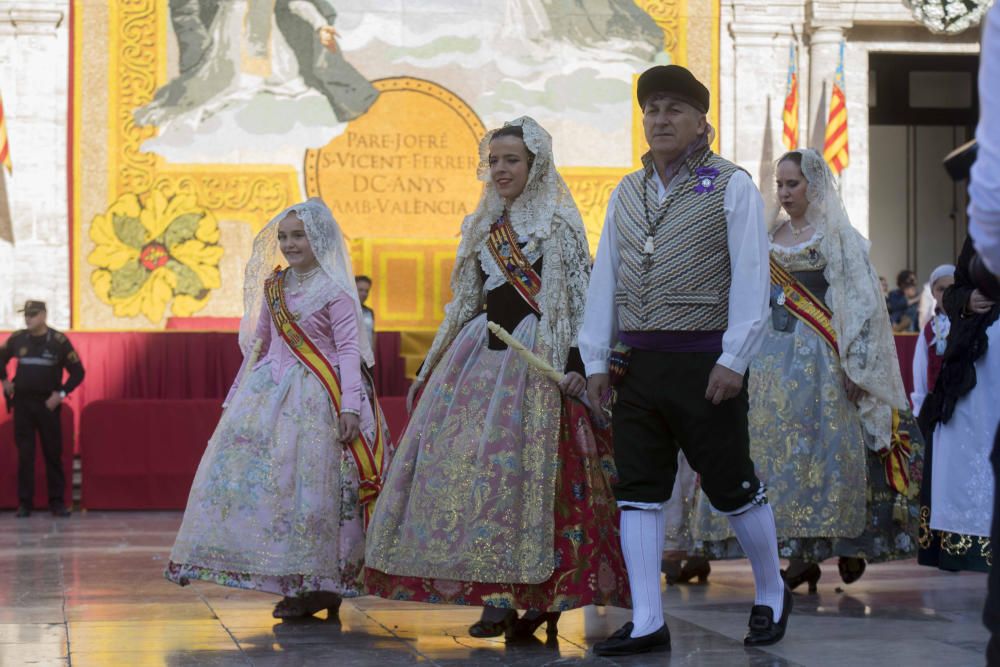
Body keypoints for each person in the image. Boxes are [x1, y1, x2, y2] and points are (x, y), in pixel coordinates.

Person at [364, 117, 630, 641]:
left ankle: (541, 597)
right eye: (495, 160)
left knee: (534, 482)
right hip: (482, 360)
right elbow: (463, 302)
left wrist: (574, 369)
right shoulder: (481, 226)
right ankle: (496, 594)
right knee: (483, 480)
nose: (501, 169)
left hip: (540, 362)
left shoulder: (557, 223)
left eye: (512, 160)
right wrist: (431, 364)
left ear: (535, 165)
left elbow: (573, 303)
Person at [580, 65, 787, 656]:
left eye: (674, 108)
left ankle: (771, 590)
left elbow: (751, 275)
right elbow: (606, 280)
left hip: (706, 363)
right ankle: (648, 619)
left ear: (703, 123)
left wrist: (735, 357)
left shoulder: (730, 186)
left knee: (731, 485)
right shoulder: (627, 190)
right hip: (638, 368)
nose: (661, 119)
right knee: (639, 491)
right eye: (652, 109)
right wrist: (595, 358)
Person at [692, 149, 920, 594]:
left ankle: (824, 550)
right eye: (779, 184)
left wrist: (857, 366)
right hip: (769, 363)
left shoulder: (837, 237)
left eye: (792, 183)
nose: (784, 192)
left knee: (822, 457)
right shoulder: (766, 234)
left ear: (814, 185)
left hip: (821, 363)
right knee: (774, 460)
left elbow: (862, 306)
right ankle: (795, 555)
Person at [165, 198, 389, 619]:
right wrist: (236, 399)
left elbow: (347, 352)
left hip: (320, 400)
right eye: (284, 236)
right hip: (270, 397)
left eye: (298, 235)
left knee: (314, 494)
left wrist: (351, 407)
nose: (289, 244)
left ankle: (322, 584)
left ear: (319, 238)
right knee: (276, 492)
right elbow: (260, 348)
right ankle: (291, 578)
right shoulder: (274, 287)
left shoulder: (336, 292)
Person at [917, 238, 998, 575]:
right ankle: (968, 543)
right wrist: (967, 299)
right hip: (979, 359)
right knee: (968, 446)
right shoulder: (983, 227)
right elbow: (955, 291)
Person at [0, 301, 84, 518]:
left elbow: (78, 372)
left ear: (44, 315)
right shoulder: (18, 339)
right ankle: (24, 503)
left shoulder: (58, 341)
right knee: (25, 455)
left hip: (47, 404)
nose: (28, 319)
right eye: (26, 315)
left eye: (33, 315)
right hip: (23, 404)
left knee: (52, 454)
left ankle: (57, 503)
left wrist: (62, 394)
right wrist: (4, 380)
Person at [911, 264, 955, 416]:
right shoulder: (930, 330)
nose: (946, 293)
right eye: (941, 289)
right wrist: (920, 409)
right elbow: (920, 369)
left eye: (952, 287)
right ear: (933, 293)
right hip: (938, 409)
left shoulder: (973, 324)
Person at [355, 275, 375, 352]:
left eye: (367, 291)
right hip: (352, 358)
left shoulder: (369, 312)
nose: (364, 293)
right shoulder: (345, 311)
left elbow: (372, 333)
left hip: (367, 360)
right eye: (360, 290)